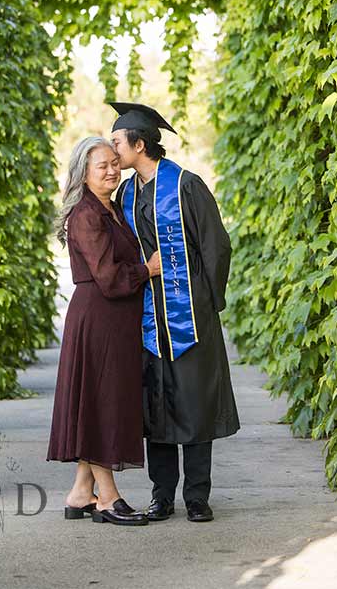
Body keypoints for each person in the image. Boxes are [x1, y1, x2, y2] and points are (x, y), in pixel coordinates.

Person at [108, 101, 240, 524]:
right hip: (146, 319)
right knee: (156, 408)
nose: (113, 153)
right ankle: (162, 495)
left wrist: (204, 299)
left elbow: (216, 246)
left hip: (190, 316)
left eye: (117, 143)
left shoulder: (186, 185)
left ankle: (197, 497)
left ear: (139, 144)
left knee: (196, 405)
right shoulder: (126, 193)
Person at [48, 137, 161, 526]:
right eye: (103, 166)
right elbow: (111, 278)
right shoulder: (86, 215)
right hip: (98, 319)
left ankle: (81, 492)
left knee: (100, 402)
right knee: (101, 404)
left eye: (116, 163)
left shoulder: (110, 209)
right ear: (84, 172)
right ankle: (107, 498)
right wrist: (148, 269)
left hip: (112, 320)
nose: (113, 170)